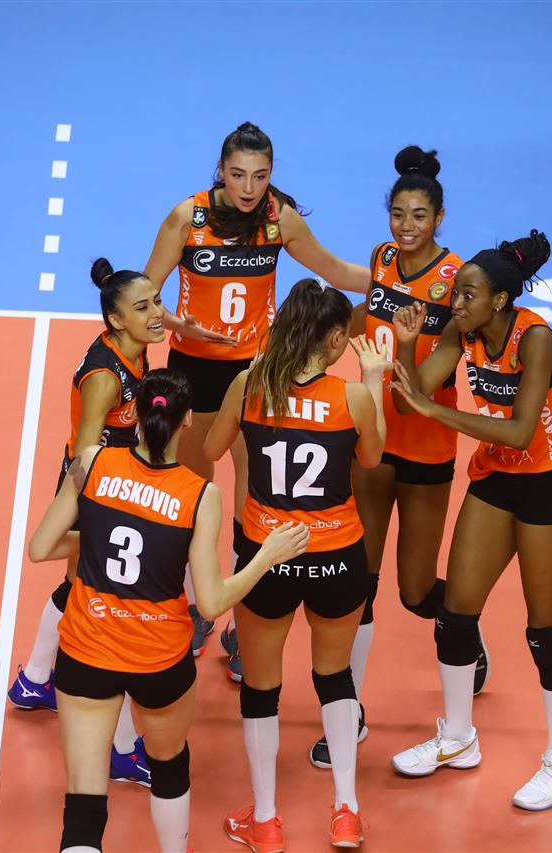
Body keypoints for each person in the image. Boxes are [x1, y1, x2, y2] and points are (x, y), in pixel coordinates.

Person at [28, 368, 310, 853]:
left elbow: (41, 548)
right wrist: (267, 556)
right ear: (187, 422)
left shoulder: (91, 462)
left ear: (135, 416)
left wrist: (96, 538)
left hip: (86, 652)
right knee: (168, 767)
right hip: (159, 660)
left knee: (84, 802)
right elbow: (213, 602)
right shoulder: (200, 496)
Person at [143, 122, 371, 675]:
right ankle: (196, 606)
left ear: (271, 175)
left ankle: (245, 623)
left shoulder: (278, 218)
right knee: (194, 494)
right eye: (239, 175)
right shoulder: (187, 218)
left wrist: (398, 282)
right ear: (220, 171)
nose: (249, 188)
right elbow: (144, 297)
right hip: (193, 371)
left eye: (260, 176)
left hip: (254, 376)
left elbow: (336, 271)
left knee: (255, 499)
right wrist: (181, 325)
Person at [387, 231, 552, 811]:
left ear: (500, 300)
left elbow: (521, 431)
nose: (456, 302)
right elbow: (407, 399)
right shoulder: (461, 331)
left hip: (549, 483)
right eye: (456, 292)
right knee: (454, 614)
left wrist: (436, 411)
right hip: (496, 477)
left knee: (545, 626)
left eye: (468, 294)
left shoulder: (536, 340)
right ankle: (457, 737)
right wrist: (406, 348)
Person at [307, 145, 488, 771]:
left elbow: (421, 392)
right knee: (359, 579)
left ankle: (464, 628)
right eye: (398, 214)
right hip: (372, 436)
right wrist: (318, 347)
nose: (407, 227)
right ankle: (349, 715)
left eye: (419, 216)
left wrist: (407, 349)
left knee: (415, 592)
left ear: (440, 217)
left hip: (426, 445)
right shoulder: (384, 259)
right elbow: (368, 315)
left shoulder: (458, 283)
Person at [205, 280, 390, 850]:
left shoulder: (249, 384)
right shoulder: (352, 397)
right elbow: (372, 457)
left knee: (261, 686)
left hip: (267, 555)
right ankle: (346, 811)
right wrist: (374, 380)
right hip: (337, 557)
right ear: (335, 340)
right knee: (335, 678)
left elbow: (211, 449)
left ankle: (265, 820)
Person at [7, 259, 164, 786]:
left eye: (156, 301)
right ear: (116, 320)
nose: (156, 313)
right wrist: (98, 510)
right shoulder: (104, 377)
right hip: (93, 487)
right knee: (105, 609)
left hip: (109, 483)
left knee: (77, 588)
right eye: (144, 307)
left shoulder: (133, 345)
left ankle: (35, 680)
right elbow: (86, 452)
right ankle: (120, 750)